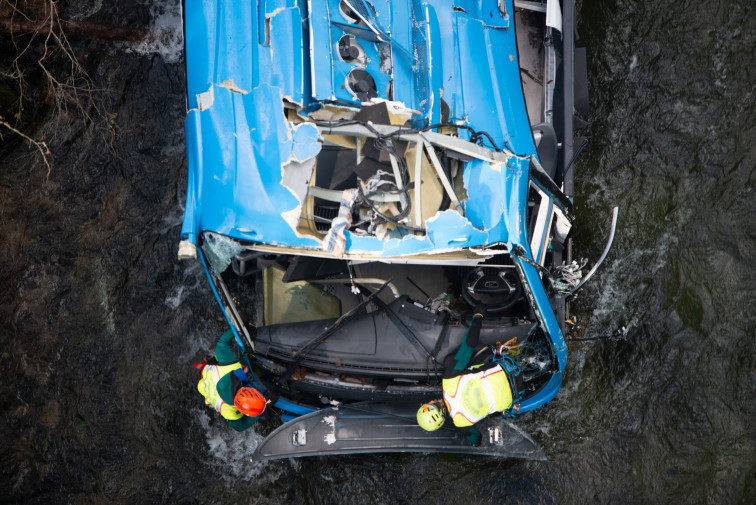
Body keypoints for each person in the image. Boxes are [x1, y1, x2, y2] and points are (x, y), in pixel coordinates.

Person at [416, 309, 523, 446]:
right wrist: (477, 316)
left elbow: (477, 440)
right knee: (453, 361)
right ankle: (497, 350)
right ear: (430, 403)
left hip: (518, 392)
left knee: (491, 411)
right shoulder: (449, 380)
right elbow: (469, 345)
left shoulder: (462, 425)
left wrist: (473, 441)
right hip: (508, 366)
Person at [196, 328, 270, 431]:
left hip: (206, 381)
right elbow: (240, 426)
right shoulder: (229, 413)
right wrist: (259, 413)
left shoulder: (228, 364)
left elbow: (221, 343)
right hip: (206, 385)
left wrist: (238, 329)